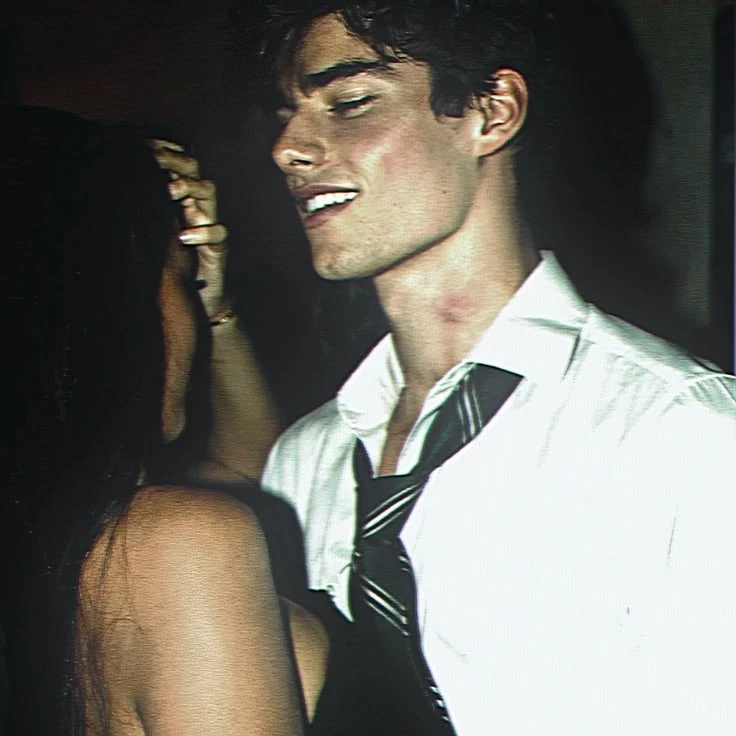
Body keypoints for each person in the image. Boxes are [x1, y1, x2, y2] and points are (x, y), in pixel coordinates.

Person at [217, 2, 736, 733]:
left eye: (350, 102)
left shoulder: (683, 434)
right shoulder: (306, 460)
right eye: (285, 114)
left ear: (493, 112)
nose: (288, 150)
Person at [0, 106, 326, 736]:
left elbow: (263, 482)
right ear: (114, 304)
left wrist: (215, 312)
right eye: (180, 279)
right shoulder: (174, 543)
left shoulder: (70, 536)